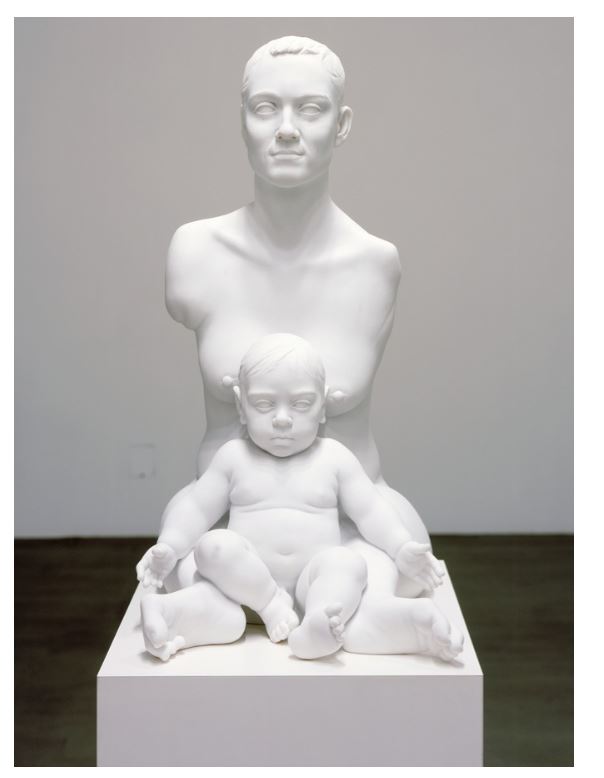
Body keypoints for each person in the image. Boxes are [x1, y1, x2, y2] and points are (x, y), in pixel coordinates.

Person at [138, 335, 462, 662]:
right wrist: (169, 546)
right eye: (264, 404)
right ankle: (179, 612)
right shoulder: (233, 458)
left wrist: (401, 547)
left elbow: (371, 510)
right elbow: (197, 508)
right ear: (241, 406)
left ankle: (320, 625)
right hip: (243, 587)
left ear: (322, 407)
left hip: (312, 580)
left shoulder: (334, 457)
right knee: (213, 548)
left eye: (301, 404)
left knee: (347, 564)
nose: (282, 418)